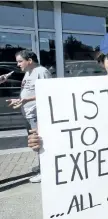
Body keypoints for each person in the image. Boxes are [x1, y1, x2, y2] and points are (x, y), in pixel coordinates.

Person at [27, 32, 108, 219]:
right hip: (100, 195)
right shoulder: (84, 97)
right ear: (102, 62)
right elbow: (63, 134)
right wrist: (40, 141)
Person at [7, 50, 51, 183]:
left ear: (30, 61)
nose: (18, 64)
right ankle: (43, 166)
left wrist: (26, 100)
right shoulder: (28, 73)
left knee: (41, 143)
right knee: (36, 144)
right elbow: (28, 92)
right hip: (29, 114)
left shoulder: (41, 72)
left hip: (37, 115)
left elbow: (49, 93)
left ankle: (46, 172)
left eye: (20, 61)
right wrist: (19, 100)